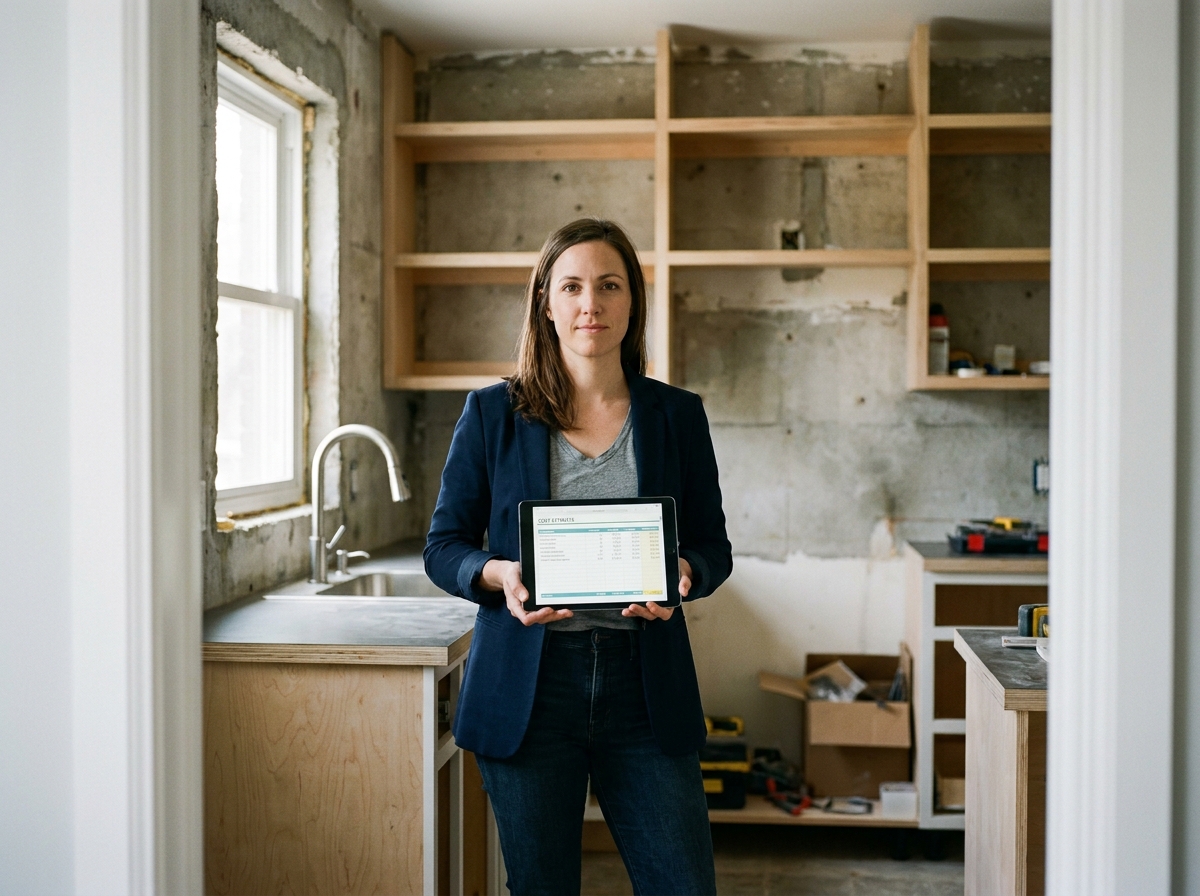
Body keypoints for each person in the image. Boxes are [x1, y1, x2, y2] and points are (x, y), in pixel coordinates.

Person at [424, 218, 732, 896]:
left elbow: (713, 547)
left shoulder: (677, 415)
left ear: (632, 301)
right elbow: (443, 547)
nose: (590, 303)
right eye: (572, 286)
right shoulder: (491, 415)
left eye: (609, 285)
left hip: (643, 690)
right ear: (547, 301)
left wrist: (685, 573)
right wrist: (499, 574)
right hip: (531, 694)